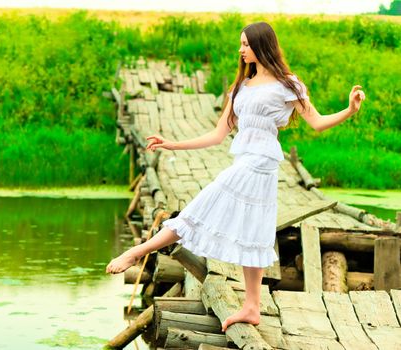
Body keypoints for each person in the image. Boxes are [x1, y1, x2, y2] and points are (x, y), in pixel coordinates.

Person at [106, 21, 365, 331]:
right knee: (248, 229)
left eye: (246, 44)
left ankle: (138, 252)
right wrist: (172, 144)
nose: (241, 50)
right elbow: (217, 135)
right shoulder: (240, 88)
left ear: (262, 45)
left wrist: (349, 110)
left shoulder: (288, 84)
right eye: (240, 44)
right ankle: (252, 307)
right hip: (245, 160)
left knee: (212, 213)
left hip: (262, 164)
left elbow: (318, 122)